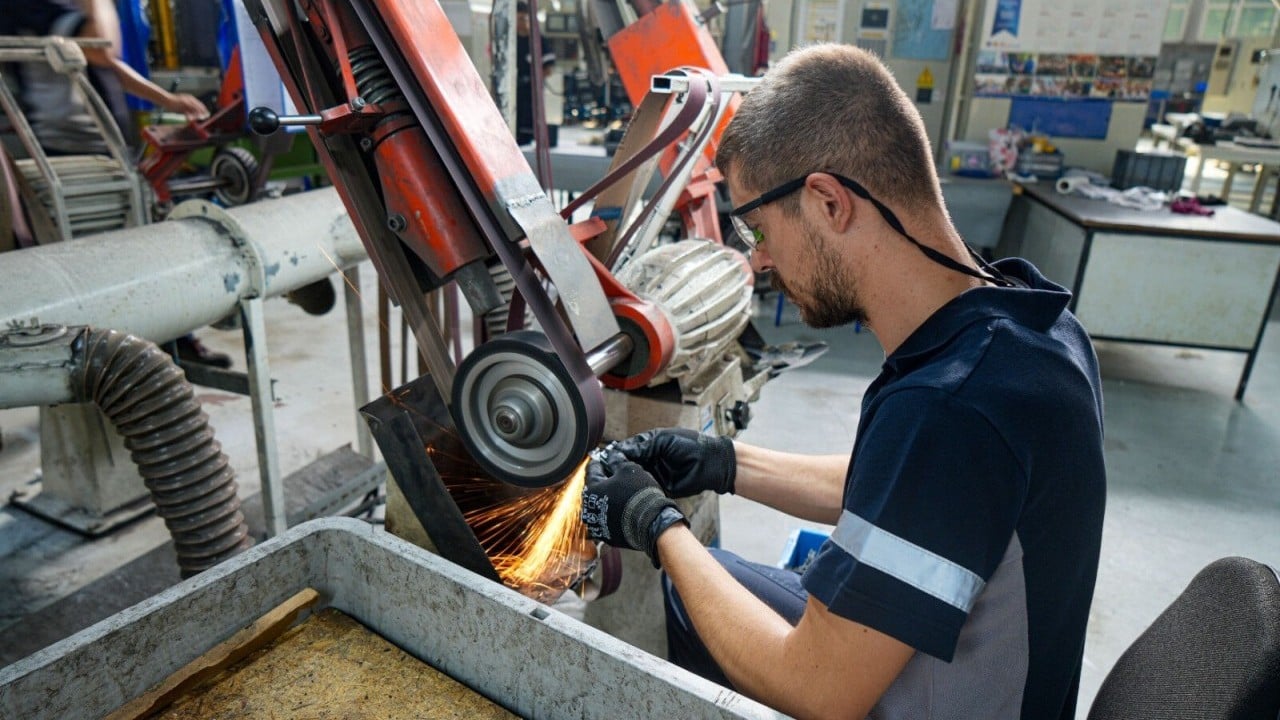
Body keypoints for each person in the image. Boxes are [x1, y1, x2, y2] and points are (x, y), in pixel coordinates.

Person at [580, 44, 1106, 720]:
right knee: (697, 590)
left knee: (680, 597)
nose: (761, 261)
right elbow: (904, 491)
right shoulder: (1030, 326)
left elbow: (815, 689)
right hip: (971, 676)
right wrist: (720, 462)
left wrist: (655, 524)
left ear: (828, 201)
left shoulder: (952, 408)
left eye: (759, 228)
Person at [3, 0, 230, 368]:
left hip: (95, 145)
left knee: (140, 243)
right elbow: (106, 49)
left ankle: (171, 341)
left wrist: (167, 99)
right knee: (109, 257)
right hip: (70, 154)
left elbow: (102, 60)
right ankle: (122, 357)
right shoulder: (33, 11)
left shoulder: (55, 15)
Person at [514, 1, 555, 146]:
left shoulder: (539, 41)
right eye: (518, 19)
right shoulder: (511, 41)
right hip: (515, 90)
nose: (522, 23)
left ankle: (532, 138)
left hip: (532, 90)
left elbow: (549, 68)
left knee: (532, 114)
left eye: (524, 19)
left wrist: (534, 80)